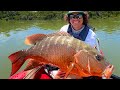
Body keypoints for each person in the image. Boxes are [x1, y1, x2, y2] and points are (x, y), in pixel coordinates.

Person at [9, 11, 101, 79]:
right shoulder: (64, 29)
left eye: (79, 16)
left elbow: (83, 63)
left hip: (74, 63)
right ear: (69, 18)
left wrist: (61, 72)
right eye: (72, 16)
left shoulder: (91, 35)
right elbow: (55, 47)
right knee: (34, 63)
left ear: (84, 18)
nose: (75, 18)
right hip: (61, 59)